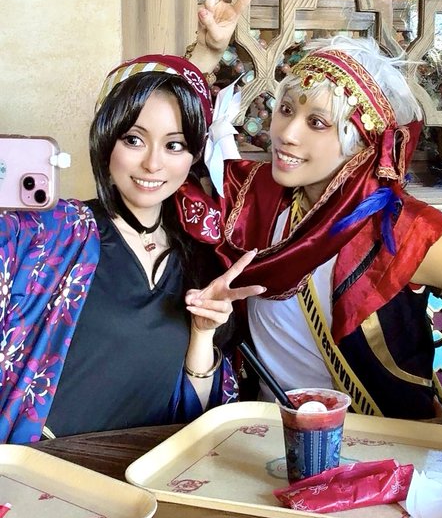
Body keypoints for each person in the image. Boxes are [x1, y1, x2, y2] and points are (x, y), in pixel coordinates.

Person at [180, 21, 442, 420]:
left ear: (360, 143)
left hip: (383, 443)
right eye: (286, 110)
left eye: (317, 123)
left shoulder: (403, 229)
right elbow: (168, 155)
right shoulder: (255, 196)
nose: (287, 134)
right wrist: (206, 54)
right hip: (268, 434)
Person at [0, 53, 258, 443]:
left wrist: (203, 333)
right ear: (106, 141)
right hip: (46, 465)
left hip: (147, 469)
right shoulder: (58, 231)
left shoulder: (199, 259)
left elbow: (193, 418)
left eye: (174, 145)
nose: (153, 164)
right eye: (134, 139)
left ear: (194, 155)